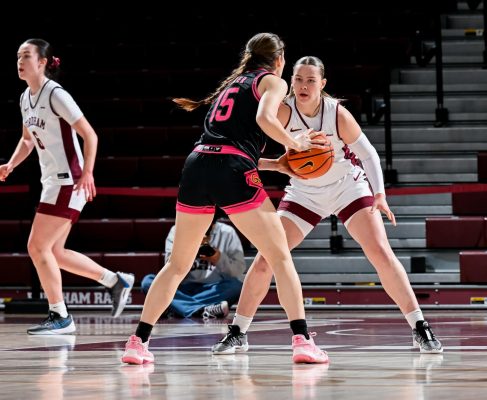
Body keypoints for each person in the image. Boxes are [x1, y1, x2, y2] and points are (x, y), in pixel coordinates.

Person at [211, 56, 443, 355]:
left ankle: (419, 326)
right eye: (298, 79)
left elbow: (369, 154)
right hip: (304, 192)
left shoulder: (337, 114)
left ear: (322, 84)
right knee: (266, 258)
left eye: (310, 80)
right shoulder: (280, 113)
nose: (303, 85)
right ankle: (238, 332)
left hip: (346, 186)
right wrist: (278, 166)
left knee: (380, 252)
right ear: (290, 82)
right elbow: (245, 155)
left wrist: (380, 194)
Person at [121, 33, 329, 365]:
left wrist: (276, 164)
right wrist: (296, 143)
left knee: (177, 265)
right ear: (279, 60)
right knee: (280, 257)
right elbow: (264, 120)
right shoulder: (272, 82)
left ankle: (137, 342)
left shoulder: (233, 84)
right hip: (230, 169)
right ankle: (302, 340)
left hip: (197, 165)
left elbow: (229, 144)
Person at [0, 38, 134, 334]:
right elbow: (26, 140)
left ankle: (60, 315)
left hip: (68, 181)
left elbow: (90, 134)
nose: (19, 62)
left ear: (43, 61)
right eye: (17, 57)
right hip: (52, 182)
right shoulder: (25, 98)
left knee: (36, 246)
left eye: (26, 56)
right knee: (55, 253)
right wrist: (10, 164)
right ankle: (116, 281)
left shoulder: (55, 94)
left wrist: (88, 173)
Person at [141, 212, 245, 319]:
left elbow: (238, 271)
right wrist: (190, 249)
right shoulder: (176, 230)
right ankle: (201, 310)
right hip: (181, 288)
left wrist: (218, 257)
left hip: (212, 288)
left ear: (214, 223)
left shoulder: (227, 232)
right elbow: (170, 267)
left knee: (237, 286)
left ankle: (178, 307)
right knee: (148, 282)